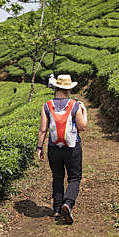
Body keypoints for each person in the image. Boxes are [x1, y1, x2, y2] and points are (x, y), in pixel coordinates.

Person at [37, 74, 88, 224]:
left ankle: (57, 208)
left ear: (55, 87)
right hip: (72, 148)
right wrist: (84, 111)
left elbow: (43, 130)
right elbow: (82, 127)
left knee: (57, 176)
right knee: (74, 178)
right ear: (68, 89)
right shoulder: (75, 105)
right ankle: (68, 203)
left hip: (54, 148)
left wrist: (39, 147)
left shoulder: (47, 105)